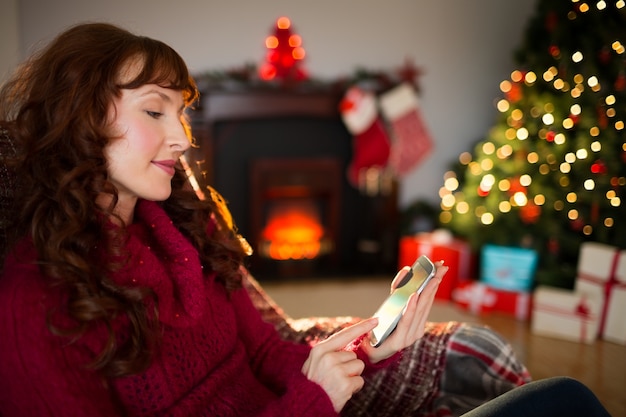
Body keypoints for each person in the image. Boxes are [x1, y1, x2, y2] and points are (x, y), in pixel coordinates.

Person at [0, 23, 611, 417]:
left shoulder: (186, 229)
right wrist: (311, 400)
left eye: (182, 113)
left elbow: (268, 351)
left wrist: (371, 351)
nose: (182, 139)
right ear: (78, 116)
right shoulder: (33, 302)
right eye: (154, 110)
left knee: (562, 401)